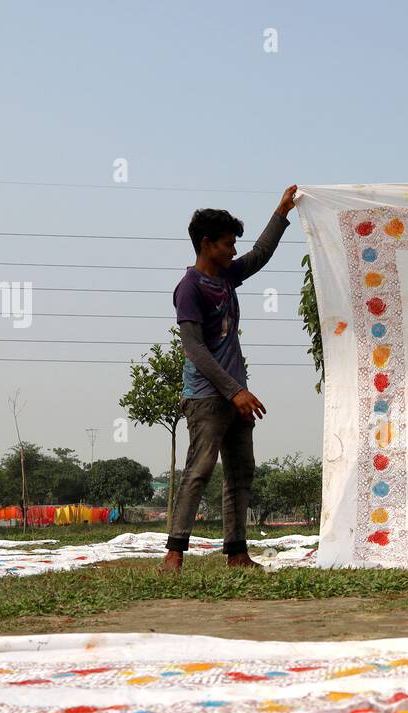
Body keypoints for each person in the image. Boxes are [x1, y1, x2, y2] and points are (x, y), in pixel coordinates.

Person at [161, 185, 298, 572]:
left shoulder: (225, 277)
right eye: (227, 244)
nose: (234, 251)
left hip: (237, 395)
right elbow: (195, 349)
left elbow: (259, 255)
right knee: (199, 470)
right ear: (206, 245)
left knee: (241, 472)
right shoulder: (189, 288)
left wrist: (282, 212)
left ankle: (237, 553)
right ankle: (174, 553)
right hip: (207, 396)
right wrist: (234, 390)